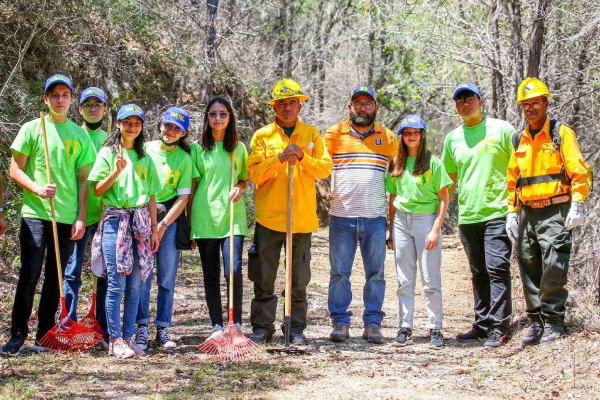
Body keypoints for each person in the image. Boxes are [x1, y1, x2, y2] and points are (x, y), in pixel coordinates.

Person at [1, 74, 95, 356]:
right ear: (46, 99)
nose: (60, 99)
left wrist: (80, 216)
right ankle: (18, 334)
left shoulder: (79, 135)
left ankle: (44, 334)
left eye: (65, 94)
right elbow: (14, 169)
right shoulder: (33, 129)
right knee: (29, 273)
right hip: (35, 213)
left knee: (56, 277)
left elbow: (82, 181)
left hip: (65, 216)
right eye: (54, 94)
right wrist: (37, 188)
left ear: (71, 100)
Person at [247, 79, 332, 344]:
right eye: (281, 103)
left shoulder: (311, 134)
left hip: (301, 220)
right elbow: (254, 174)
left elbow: (325, 169)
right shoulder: (262, 136)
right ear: (274, 107)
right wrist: (279, 158)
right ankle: (263, 327)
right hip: (269, 219)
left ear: (300, 106)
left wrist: (303, 158)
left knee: (298, 279)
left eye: (292, 103)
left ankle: (295, 328)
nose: (287, 108)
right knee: (264, 276)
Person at [507, 77, 590, 347]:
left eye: (535, 103)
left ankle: (554, 322)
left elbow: (580, 171)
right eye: (526, 104)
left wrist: (577, 203)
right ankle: (536, 322)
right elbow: (513, 178)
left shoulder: (560, 133)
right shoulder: (519, 138)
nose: (530, 108)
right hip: (528, 212)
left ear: (545, 103)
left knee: (554, 265)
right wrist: (511, 210)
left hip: (556, 209)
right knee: (529, 264)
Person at [441, 82, 516, 348]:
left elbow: (520, 165)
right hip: (468, 216)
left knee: (497, 268)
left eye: (469, 98)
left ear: (480, 100)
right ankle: (482, 324)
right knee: (478, 272)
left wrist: (517, 208)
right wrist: (433, 211)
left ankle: (500, 326)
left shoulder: (503, 130)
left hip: (498, 211)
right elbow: (448, 180)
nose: (465, 103)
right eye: (459, 100)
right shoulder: (453, 138)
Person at [324, 86, 398, 344]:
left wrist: (393, 222)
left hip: (375, 218)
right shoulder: (334, 133)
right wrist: (326, 193)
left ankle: (373, 323)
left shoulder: (388, 137)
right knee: (339, 273)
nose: (363, 107)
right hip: (341, 216)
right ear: (350, 107)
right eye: (358, 103)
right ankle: (340, 323)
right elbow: (320, 167)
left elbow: (396, 181)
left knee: (375, 273)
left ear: (375, 107)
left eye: (368, 103)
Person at [88, 104, 160, 358]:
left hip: (139, 224)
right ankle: (114, 340)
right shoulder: (108, 153)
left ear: (141, 127)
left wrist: (154, 229)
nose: (132, 127)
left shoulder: (145, 158)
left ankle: (129, 337)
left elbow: (151, 197)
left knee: (135, 286)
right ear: (118, 124)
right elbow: (97, 190)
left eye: (137, 123)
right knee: (115, 285)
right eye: (126, 122)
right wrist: (116, 172)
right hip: (114, 222)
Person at [386, 115, 452, 349]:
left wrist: (435, 229)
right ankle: (405, 327)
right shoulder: (397, 162)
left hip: (426, 221)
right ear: (402, 136)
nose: (411, 136)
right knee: (404, 279)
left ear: (422, 135)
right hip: (402, 221)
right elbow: (392, 196)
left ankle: (435, 328)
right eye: (406, 132)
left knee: (429, 278)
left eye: (415, 132)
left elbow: (444, 198)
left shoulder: (433, 163)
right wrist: (391, 230)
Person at [134, 107, 193, 350]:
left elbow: (183, 198)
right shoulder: (145, 149)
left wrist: (163, 225)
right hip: (142, 215)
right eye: (167, 125)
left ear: (183, 133)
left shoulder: (184, 159)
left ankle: (163, 327)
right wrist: (149, 224)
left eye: (176, 128)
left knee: (167, 276)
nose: (170, 131)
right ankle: (140, 327)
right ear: (160, 125)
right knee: (142, 275)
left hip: (169, 217)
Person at [190, 98, 248, 339]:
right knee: (211, 274)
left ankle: (237, 323)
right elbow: (192, 187)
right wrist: (190, 225)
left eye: (223, 114)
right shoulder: (197, 148)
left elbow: (244, 177)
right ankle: (216, 324)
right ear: (207, 118)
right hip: (204, 218)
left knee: (232, 270)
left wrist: (241, 188)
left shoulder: (238, 148)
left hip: (233, 217)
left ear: (230, 117)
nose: (218, 118)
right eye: (213, 114)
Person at [63, 87, 110, 348]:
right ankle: (67, 320)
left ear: (105, 109)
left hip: (103, 216)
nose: (93, 108)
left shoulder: (110, 139)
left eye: (98, 104)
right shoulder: (73, 134)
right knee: (72, 272)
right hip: (77, 215)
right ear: (79, 108)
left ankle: (100, 324)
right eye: (88, 104)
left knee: (102, 273)